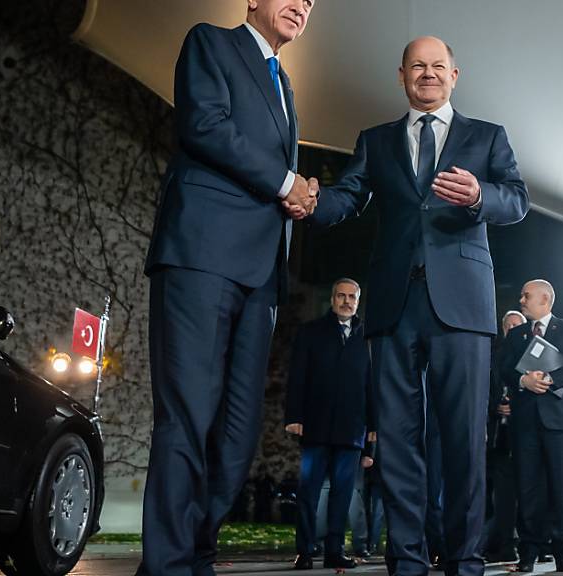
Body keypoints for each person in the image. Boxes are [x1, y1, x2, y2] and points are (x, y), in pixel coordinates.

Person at [301, 35, 530, 576]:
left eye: (438, 66)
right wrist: (312, 200)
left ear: (455, 74)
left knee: (464, 439)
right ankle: (405, 560)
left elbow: (517, 199)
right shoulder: (375, 140)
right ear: (401, 75)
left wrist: (479, 195)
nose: (427, 74)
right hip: (393, 304)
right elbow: (349, 196)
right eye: (417, 66)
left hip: (463, 308)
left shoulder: (487, 136)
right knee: (398, 443)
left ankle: (464, 559)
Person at [138, 1, 318, 574]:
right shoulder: (211, 43)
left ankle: (197, 555)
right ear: (253, 1)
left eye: (311, 1)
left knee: (237, 436)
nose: (302, 5)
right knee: (187, 416)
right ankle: (166, 565)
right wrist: (288, 181)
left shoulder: (286, 83)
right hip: (201, 256)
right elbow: (205, 126)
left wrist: (299, 192)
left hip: (260, 276)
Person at [500, 280, 563, 573]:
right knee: (527, 489)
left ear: (546, 299)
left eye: (527, 295)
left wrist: (549, 380)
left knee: (560, 489)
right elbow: (503, 368)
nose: (521, 299)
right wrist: (523, 380)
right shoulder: (516, 333)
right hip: (525, 423)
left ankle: (562, 552)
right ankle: (528, 552)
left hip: (560, 423)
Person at [285, 279, 372, 569]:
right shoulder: (311, 333)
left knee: (342, 494)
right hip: (316, 425)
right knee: (308, 492)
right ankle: (306, 550)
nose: (347, 301)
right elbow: (297, 376)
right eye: (341, 296)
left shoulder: (368, 337)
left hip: (352, 428)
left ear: (358, 301)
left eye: (352, 297)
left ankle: (335, 550)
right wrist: (294, 416)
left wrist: (373, 426)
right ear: (332, 299)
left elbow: (372, 385)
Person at [483, 311, 526, 562]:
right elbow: (485, 389)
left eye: (516, 325)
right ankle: (503, 544)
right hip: (499, 437)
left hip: (528, 435)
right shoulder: (493, 356)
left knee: (529, 493)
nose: (511, 329)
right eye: (508, 325)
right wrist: (496, 406)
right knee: (501, 495)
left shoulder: (536, 354)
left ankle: (535, 543)